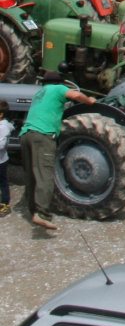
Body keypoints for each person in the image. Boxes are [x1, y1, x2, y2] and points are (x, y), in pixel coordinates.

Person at [20, 71, 96, 230]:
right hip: (43, 135)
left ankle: (32, 209)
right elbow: (75, 96)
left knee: (32, 174)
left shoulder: (39, 93)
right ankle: (41, 214)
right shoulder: (58, 88)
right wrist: (89, 100)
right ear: (59, 82)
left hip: (26, 134)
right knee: (45, 174)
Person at [0, 99, 11, 217]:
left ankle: (5, 203)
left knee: (3, 182)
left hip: (1, 160)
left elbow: (2, 145)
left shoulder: (3, 128)